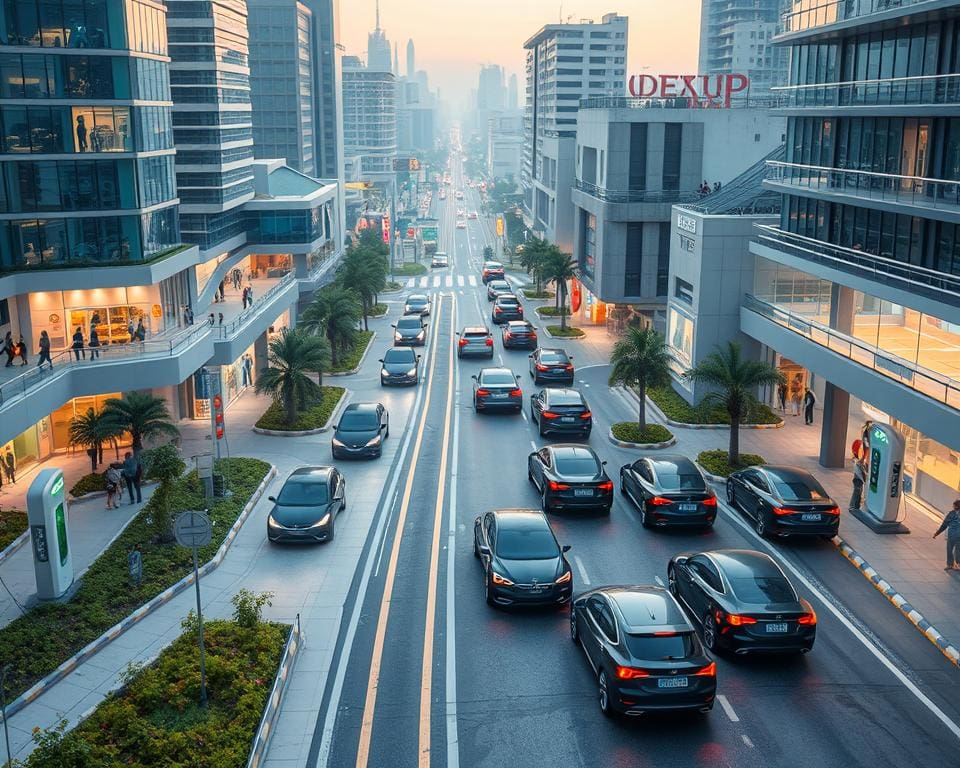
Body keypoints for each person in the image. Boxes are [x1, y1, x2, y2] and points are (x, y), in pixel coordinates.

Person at [933, 499, 960, 571]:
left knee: (949, 549)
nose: (952, 506)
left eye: (953, 505)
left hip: (953, 534)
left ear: (956, 506)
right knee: (958, 549)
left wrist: (936, 533)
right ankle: (958, 565)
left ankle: (950, 564)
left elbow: (944, 525)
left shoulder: (952, 513)